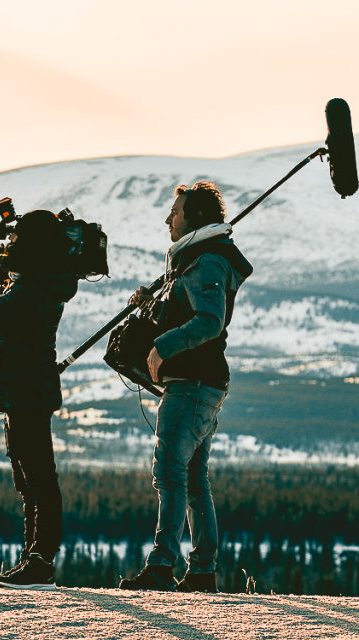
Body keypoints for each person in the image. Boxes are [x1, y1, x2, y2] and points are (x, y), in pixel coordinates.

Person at [119, 181, 253, 593]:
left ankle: (162, 566)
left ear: (194, 217)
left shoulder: (208, 261)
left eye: (174, 212)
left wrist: (162, 346)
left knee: (169, 473)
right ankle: (201, 572)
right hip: (200, 382)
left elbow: (210, 320)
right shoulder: (197, 260)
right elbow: (187, 312)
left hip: (193, 384)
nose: (167, 219)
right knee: (194, 477)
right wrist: (151, 308)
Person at [0, 209, 78, 589]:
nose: (9, 245)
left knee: (37, 480)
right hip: (26, 391)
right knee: (31, 480)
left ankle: (40, 562)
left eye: (15, 240)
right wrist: (2, 278)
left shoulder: (34, 287)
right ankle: (34, 558)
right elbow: (11, 315)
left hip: (25, 391)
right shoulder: (41, 282)